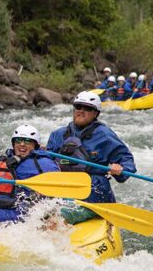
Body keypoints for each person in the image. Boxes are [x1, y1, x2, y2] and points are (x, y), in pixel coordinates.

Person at [45, 91, 136, 223]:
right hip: (64, 190)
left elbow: (127, 160)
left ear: (96, 113)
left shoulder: (105, 136)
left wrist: (120, 168)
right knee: (39, 212)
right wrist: (39, 153)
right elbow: (46, 164)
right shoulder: (58, 135)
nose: (81, 111)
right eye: (78, 107)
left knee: (55, 218)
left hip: (93, 195)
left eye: (87, 108)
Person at [0, 124, 60, 225]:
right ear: (13, 143)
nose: (22, 144)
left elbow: (58, 189)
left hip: (21, 213)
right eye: (18, 140)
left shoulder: (43, 163)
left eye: (27, 141)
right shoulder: (4, 160)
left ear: (35, 145)